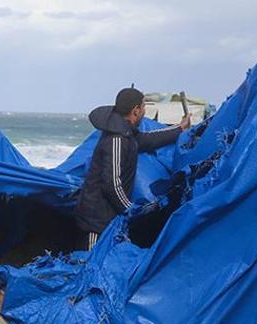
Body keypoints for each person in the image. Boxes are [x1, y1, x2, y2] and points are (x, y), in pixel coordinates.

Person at [75, 87, 191, 250]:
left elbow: (146, 140)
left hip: (109, 217)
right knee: (90, 261)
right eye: (143, 107)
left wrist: (179, 129)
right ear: (136, 111)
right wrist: (130, 208)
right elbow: (112, 183)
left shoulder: (126, 133)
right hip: (96, 220)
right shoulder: (116, 139)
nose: (144, 111)